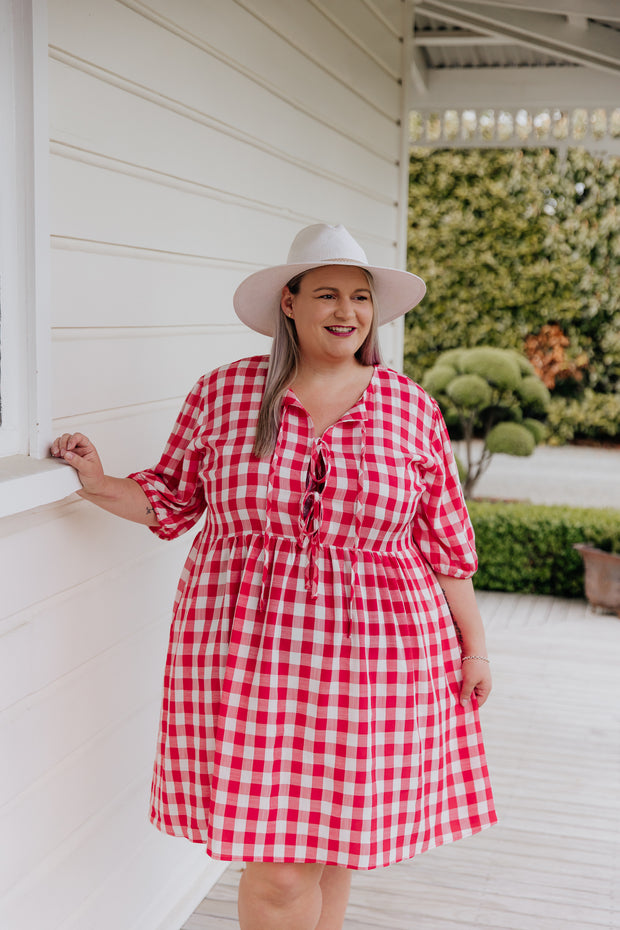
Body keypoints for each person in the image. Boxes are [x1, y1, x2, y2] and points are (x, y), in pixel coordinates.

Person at [51, 224, 496, 930]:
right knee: (283, 871)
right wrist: (99, 482)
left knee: (332, 849)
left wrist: (473, 648)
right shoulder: (226, 394)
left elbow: (445, 544)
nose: (345, 311)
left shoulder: (411, 408)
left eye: (359, 297)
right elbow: (169, 497)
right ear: (288, 304)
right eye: (326, 294)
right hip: (249, 652)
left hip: (377, 657)